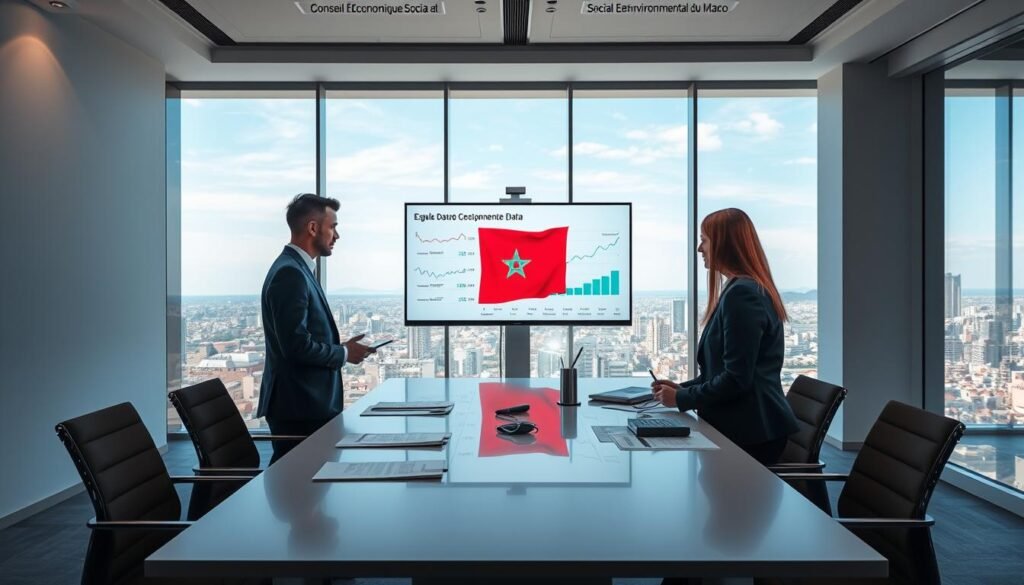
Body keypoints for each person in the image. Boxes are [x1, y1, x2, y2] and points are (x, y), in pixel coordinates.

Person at [652, 208, 798, 466]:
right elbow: (721, 371)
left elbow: (736, 379)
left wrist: (682, 399)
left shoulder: (743, 294)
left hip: (749, 434)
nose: (700, 249)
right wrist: (682, 389)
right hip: (744, 427)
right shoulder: (740, 289)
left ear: (724, 245)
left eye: (704, 240)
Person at [257, 193, 374, 463]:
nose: (337, 235)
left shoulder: (297, 269)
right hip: (300, 407)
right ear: (313, 228)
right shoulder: (290, 274)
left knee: (309, 492)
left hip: (306, 405)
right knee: (299, 489)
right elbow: (296, 347)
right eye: (333, 226)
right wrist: (344, 354)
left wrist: (343, 348)